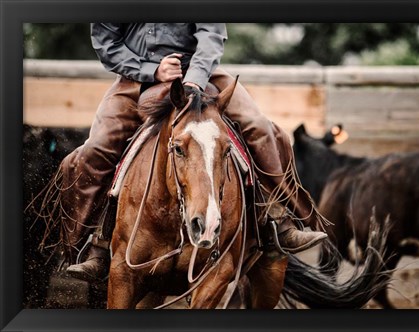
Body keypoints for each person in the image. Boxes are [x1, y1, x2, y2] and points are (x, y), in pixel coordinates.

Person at [54, 23, 328, 281]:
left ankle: (278, 220)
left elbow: (211, 31)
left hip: (202, 74)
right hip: (135, 81)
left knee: (259, 127)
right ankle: (92, 244)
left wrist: (195, 77)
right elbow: (106, 42)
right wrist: (153, 70)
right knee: (96, 149)